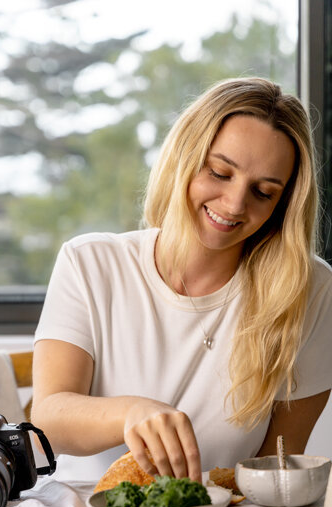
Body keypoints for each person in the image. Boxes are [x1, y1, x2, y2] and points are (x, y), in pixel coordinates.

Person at [32, 77, 332, 482]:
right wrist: (132, 412)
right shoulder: (90, 263)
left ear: (283, 206)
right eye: (220, 172)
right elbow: (49, 418)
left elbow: (275, 466)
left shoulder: (310, 290)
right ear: (183, 159)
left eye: (263, 192)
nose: (235, 204)